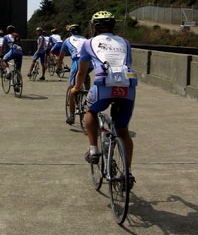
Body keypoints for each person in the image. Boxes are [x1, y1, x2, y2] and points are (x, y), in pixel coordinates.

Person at [72, 10, 137, 186]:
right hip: (128, 87)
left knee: (91, 111)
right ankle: (127, 173)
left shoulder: (89, 43)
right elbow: (126, 63)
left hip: (103, 85)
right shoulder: (125, 42)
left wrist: (77, 88)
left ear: (94, 27)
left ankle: (94, 150)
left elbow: (82, 71)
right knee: (123, 130)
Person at [56, 24, 91, 124]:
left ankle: (71, 116)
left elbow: (61, 57)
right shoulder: (86, 40)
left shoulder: (68, 40)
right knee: (85, 75)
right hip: (90, 63)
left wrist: (59, 68)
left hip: (78, 61)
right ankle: (87, 94)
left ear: (70, 32)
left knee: (72, 89)